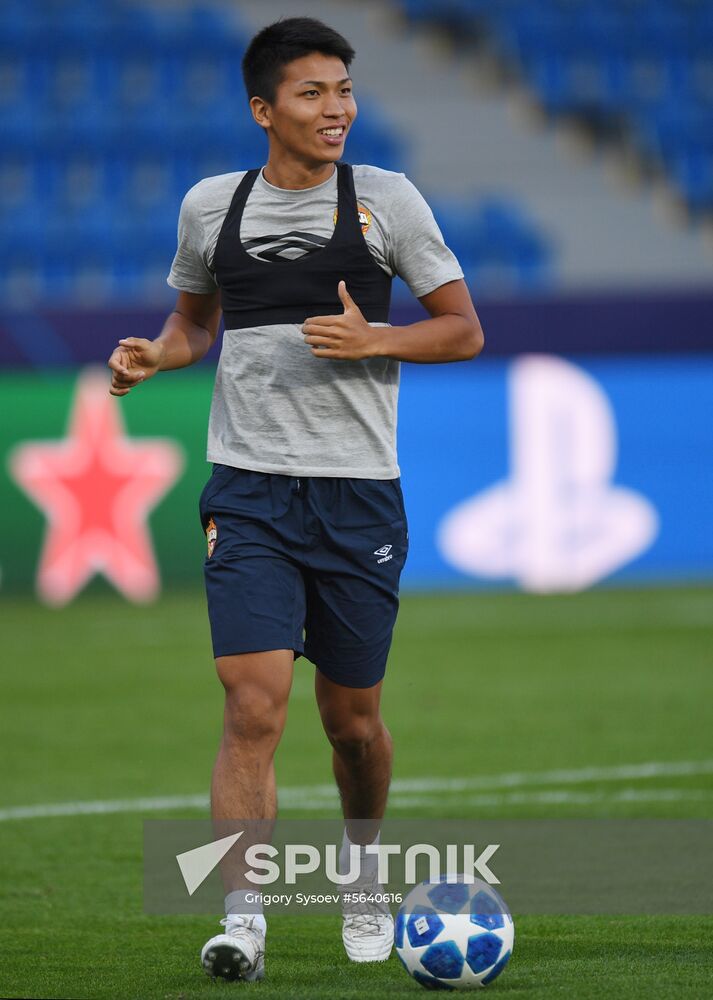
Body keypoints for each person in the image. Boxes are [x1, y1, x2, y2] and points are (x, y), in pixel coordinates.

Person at [108, 15, 483, 984]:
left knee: (350, 720)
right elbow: (194, 324)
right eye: (314, 93)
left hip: (357, 496)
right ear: (263, 108)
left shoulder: (386, 201)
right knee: (250, 702)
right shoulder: (209, 206)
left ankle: (359, 874)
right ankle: (244, 919)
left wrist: (376, 342)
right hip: (249, 488)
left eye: (345, 91)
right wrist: (158, 354)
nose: (337, 110)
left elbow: (460, 330)